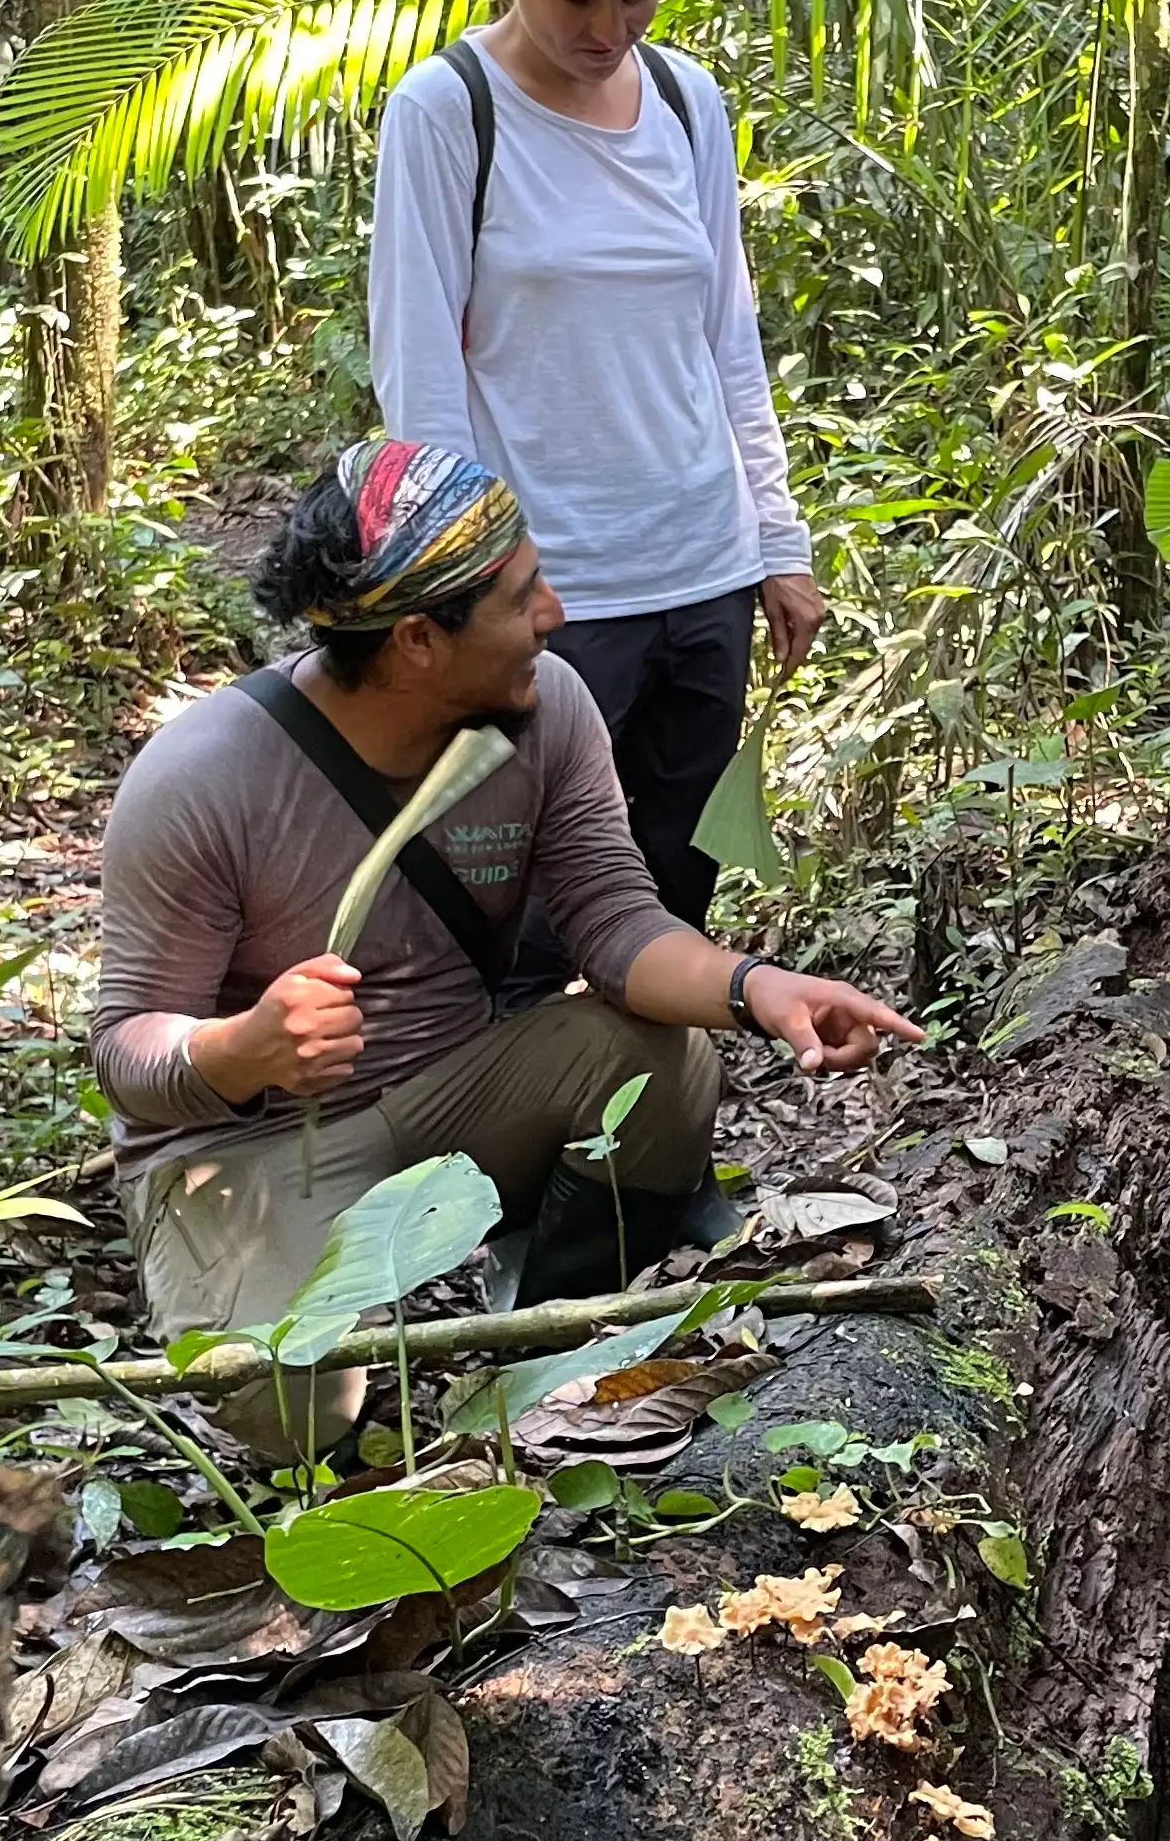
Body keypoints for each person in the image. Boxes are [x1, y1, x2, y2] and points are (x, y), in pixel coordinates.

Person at [92, 440, 920, 1455]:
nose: (555, 615)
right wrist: (239, 1048)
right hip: (257, 1148)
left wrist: (762, 990)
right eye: (522, 596)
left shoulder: (549, 707)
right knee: (293, 1408)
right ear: (417, 643)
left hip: (445, 1091)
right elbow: (126, 1052)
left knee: (660, 1056)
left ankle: (549, 1336)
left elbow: (617, 923)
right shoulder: (203, 778)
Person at [368, 0, 824, 984]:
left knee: (674, 896)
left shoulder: (686, 103)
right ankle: (516, 1155)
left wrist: (778, 540)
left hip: (703, 576)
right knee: (519, 921)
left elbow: (728, 335)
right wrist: (475, 598)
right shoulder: (446, 114)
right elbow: (420, 383)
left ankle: (654, 1156)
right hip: (550, 598)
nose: (611, 27)